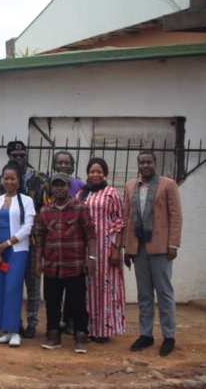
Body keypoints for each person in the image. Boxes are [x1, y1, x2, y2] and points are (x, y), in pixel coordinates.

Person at [123, 151, 183, 357]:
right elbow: (126, 217)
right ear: (138, 165)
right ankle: (146, 335)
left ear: (155, 164)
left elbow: (175, 215)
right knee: (144, 294)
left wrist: (173, 244)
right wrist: (126, 247)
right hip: (138, 247)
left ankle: (169, 336)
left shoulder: (168, 185)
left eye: (149, 162)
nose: (145, 165)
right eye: (142, 162)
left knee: (164, 292)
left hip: (160, 246)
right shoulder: (131, 186)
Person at [35, 173, 96, 354]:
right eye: (56, 185)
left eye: (62, 185)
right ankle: (53, 335)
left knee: (77, 303)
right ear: (51, 188)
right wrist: (38, 261)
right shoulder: (45, 211)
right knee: (52, 302)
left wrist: (91, 259)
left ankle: (80, 336)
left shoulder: (81, 208)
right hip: (52, 266)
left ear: (69, 187)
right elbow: (40, 238)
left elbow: (90, 235)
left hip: (75, 264)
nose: (59, 188)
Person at [0, 140, 46, 338]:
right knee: (12, 283)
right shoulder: (1, 181)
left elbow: (44, 210)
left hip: (33, 241)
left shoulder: (39, 179)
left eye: (22, 155)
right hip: (9, 241)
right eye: (14, 156)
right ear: (9, 157)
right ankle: (14, 322)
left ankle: (32, 322)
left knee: (33, 283)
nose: (19, 159)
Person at [0, 162, 36, 348]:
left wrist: (5, 245)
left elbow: (27, 227)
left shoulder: (26, 201)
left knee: (12, 289)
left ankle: (15, 330)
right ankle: (5, 331)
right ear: (1, 179)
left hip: (16, 250)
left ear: (18, 180)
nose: (9, 182)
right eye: (6, 178)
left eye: (12, 178)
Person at [78, 158, 126, 343]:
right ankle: (89, 328)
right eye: (92, 171)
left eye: (99, 171)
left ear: (105, 173)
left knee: (106, 288)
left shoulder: (112, 193)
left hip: (107, 248)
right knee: (88, 288)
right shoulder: (82, 194)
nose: (95, 175)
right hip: (86, 247)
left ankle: (105, 330)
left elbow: (119, 222)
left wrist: (116, 249)